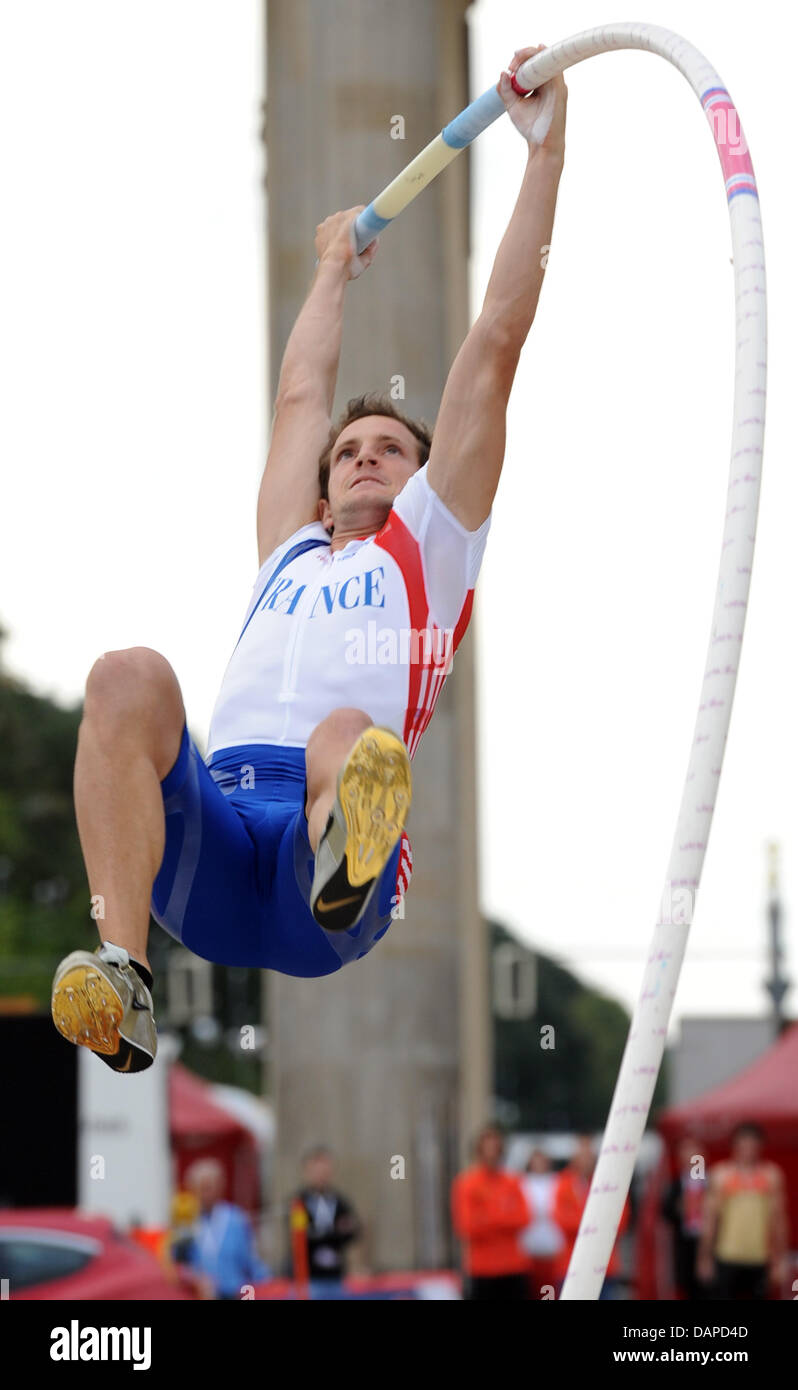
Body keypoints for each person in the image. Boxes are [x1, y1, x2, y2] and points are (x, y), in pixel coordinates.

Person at [50, 47, 568, 1073]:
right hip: (210, 847)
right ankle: (124, 969)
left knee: (349, 734)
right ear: (322, 489)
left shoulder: (434, 546)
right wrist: (333, 267)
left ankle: (349, 853)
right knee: (127, 677)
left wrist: (543, 155)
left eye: (392, 448)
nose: (366, 453)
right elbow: (301, 395)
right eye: (349, 451)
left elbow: (496, 340)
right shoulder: (286, 546)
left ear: (425, 478)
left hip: (318, 876)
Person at [696, 1122, 789, 1300]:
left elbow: (779, 1220)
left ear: (760, 1146)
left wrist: (780, 1259)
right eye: (743, 1144)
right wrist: (704, 1258)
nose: (747, 1150)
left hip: (759, 1257)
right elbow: (709, 1220)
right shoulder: (721, 1175)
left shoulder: (771, 1176)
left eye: (752, 1144)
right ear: (735, 1145)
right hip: (727, 1256)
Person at [451, 1124, 531, 1300]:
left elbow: (524, 1218)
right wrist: (503, 1217)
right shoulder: (466, 1184)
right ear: (479, 1151)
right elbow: (466, 1226)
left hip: (513, 1267)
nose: (492, 1154)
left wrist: (487, 1216)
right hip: (482, 1269)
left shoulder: (512, 1181)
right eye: (487, 1148)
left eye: (495, 1148)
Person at [172, 1158, 269, 1300]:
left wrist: (265, 1283)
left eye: (209, 1187)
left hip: (235, 1292)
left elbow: (250, 1259)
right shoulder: (186, 1221)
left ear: (220, 1187)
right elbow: (177, 1264)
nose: (205, 1194)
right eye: (200, 1188)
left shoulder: (235, 1219)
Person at [553, 1134, 630, 1299]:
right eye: (581, 1152)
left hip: (605, 1267)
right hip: (571, 1266)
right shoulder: (564, 1182)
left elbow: (621, 1222)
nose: (585, 1158)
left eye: (588, 1153)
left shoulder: (611, 1180)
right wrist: (600, 1222)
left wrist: (585, 1221)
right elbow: (562, 1220)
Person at [289, 1146, 361, 1300]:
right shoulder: (299, 1202)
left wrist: (325, 1234)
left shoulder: (339, 1201)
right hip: (310, 1279)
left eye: (325, 1171)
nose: (322, 1176)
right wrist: (334, 1232)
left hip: (335, 1277)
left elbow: (353, 1230)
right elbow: (301, 1236)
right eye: (317, 1171)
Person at [661, 1135, 707, 1300]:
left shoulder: (712, 1182)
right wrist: (679, 1208)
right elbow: (666, 1212)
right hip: (685, 1245)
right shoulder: (675, 1185)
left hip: (709, 1244)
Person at [519, 1147, 564, 1298]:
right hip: (530, 1246)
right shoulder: (522, 1182)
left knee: (551, 1290)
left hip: (553, 1246)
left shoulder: (557, 1181)